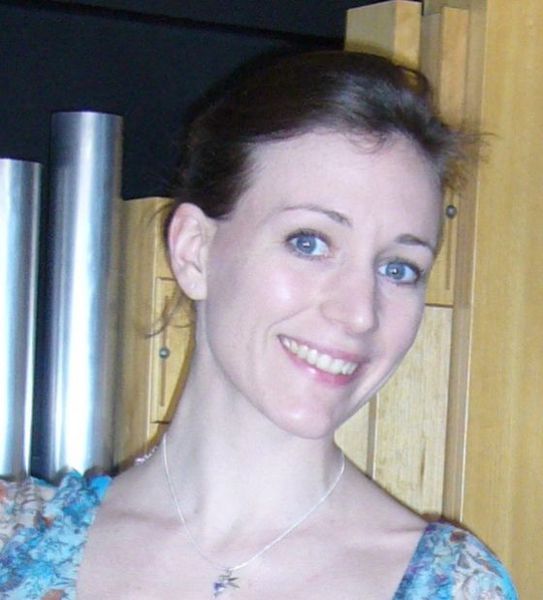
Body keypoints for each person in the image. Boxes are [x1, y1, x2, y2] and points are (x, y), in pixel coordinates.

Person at [0, 51, 517, 599]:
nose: (359, 312)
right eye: (309, 242)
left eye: (398, 269)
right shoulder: (13, 547)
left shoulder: (456, 587)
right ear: (195, 251)